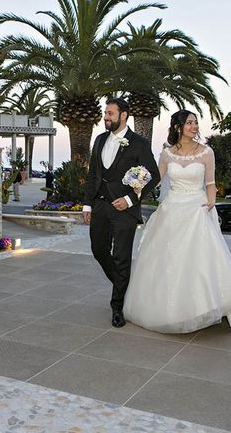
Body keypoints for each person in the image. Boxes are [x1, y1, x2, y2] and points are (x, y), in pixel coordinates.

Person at [123, 110, 231, 333]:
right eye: (189, 123)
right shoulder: (167, 154)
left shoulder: (206, 152)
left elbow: (210, 183)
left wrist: (210, 203)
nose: (194, 126)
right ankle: (168, 310)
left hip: (197, 208)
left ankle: (203, 306)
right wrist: (137, 181)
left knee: (198, 261)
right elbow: (155, 180)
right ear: (178, 127)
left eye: (196, 123)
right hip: (172, 210)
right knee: (168, 260)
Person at [82, 98, 160, 328]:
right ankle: (124, 285)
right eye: (105, 113)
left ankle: (117, 306)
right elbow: (93, 175)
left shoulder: (139, 143)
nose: (106, 117)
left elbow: (153, 176)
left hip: (125, 210)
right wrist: (87, 204)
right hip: (100, 206)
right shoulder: (99, 140)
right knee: (98, 249)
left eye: (110, 113)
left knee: (121, 257)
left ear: (123, 115)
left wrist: (129, 199)